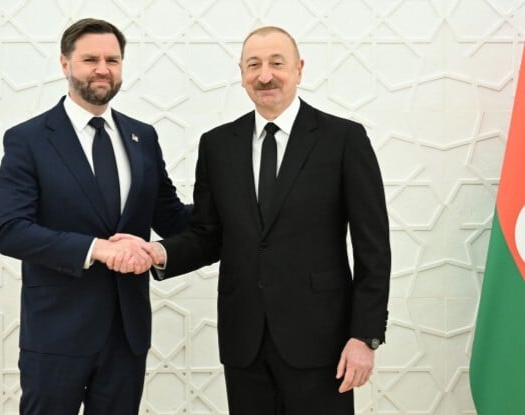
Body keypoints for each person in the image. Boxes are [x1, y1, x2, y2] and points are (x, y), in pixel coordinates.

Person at [113, 26, 391, 414]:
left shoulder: (343, 139)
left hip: (322, 341)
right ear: (242, 73)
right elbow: (208, 235)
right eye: (254, 65)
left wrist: (365, 336)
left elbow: (373, 248)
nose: (265, 76)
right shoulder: (217, 144)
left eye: (277, 63)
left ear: (299, 69)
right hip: (244, 341)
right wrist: (156, 253)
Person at [0, 18, 191, 415]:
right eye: (90, 60)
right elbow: (11, 230)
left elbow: (170, 217)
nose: (103, 69)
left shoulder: (143, 137)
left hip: (126, 334)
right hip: (56, 334)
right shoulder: (28, 139)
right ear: (64, 63)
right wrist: (97, 249)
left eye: (112, 60)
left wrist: (235, 202)